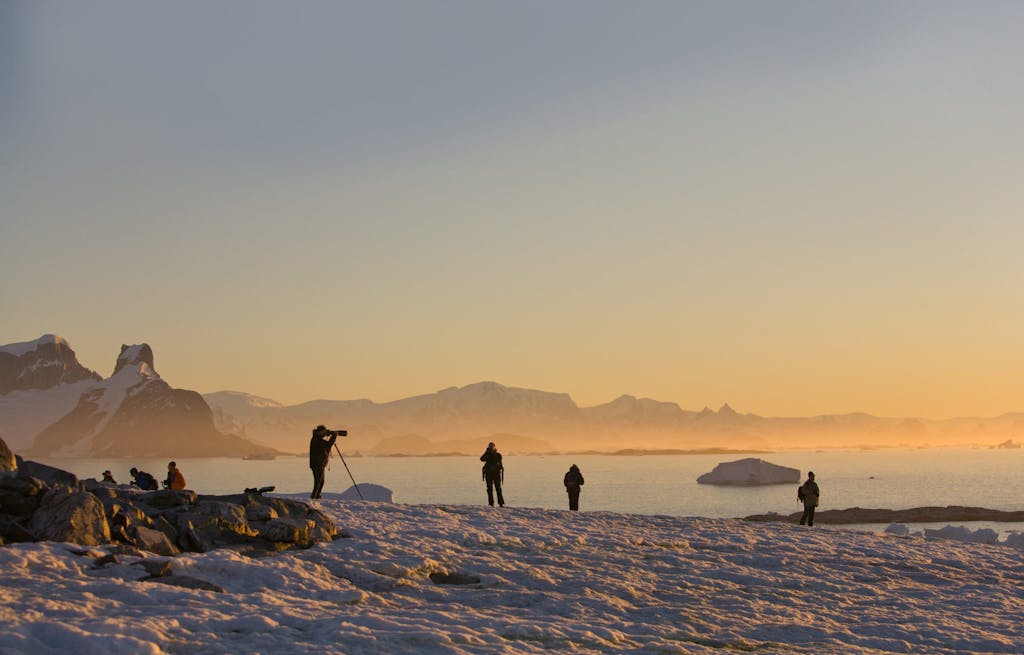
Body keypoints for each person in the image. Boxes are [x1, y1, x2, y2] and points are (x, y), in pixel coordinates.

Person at [309, 424, 338, 500]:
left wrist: (331, 436)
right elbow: (328, 445)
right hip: (317, 464)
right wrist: (333, 437)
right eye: (324, 432)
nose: (325, 434)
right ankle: (314, 497)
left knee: (321, 482)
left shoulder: (317, 438)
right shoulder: (316, 439)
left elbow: (327, 446)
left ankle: (317, 496)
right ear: (320, 432)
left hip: (319, 464)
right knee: (318, 482)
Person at [480, 442, 504, 507]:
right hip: (488, 474)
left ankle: (501, 503)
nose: (491, 448)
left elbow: (499, 463)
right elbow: (482, 459)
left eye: (492, 446)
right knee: (489, 489)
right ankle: (491, 504)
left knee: (498, 488)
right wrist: (487, 451)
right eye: (490, 446)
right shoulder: (487, 454)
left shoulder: (498, 455)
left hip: (496, 473)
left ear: (494, 447)